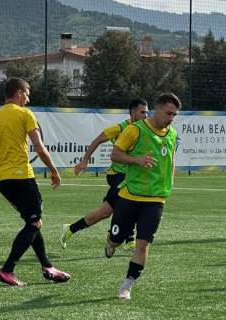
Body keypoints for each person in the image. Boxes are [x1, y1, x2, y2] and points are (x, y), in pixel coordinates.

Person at [0, 78, 70, 286]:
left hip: (2, 180)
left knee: (33, 222)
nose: (28, 99)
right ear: (18, 93)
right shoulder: (25, 114)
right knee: (35, 222)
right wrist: (54, 170)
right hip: (21, 176)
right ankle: (7, 270)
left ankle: (48, 266)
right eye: (27, 93)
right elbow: (39, 147)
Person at [104, 93, 180, 300]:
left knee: (143, 244)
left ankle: (127, 284)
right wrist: (136, 160)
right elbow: (115, 154)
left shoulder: (172, 133)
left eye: (175, 114)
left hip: (155, 200)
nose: (171, 118)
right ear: (157, 109)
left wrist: (170, 181)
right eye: (168, 113)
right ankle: (110, 242)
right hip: (130, 196)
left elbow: (172, 158)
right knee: (116, 240)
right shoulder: (135, 130)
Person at [60, 98, 149, 250]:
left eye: (147, 112)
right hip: (117, 175)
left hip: (130, 177)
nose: (145, 116)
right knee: (130, 202)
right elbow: (97, 140)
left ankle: (70, 229)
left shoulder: (144, 129)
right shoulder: (120, 128)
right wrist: (84, 161)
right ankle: (128, 239)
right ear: (133, 112)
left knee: (105, 212)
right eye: (142, 112)